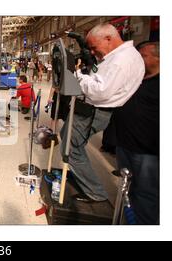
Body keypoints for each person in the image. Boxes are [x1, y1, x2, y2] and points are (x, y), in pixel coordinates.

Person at [59, 23, 145, 203]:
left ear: (108, 38)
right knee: (68, 141)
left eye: (93, 47)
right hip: (95, 110)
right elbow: (101, 79)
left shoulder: (122, 60)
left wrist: (76, 76)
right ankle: (82, 177)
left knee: (71, 148)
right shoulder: (120, 57)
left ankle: (94, 192)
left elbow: (100, 91)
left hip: (93, 112)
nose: (92, 52)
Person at [113, 41, 160, 224]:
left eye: (143, 56)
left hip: (148, 152)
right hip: (124, 144)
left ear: (158, 58)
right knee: (127, 192)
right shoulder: (135, 78)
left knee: (146, 195)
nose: (139, 60)